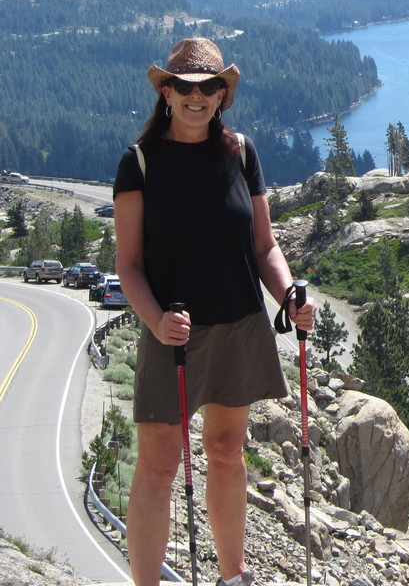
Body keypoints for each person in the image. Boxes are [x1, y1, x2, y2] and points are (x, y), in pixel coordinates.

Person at [114, 37, 315, 586]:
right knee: (158, 468)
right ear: (167, 93)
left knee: (226, 451)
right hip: (171, 334)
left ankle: (233, 578)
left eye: (209, 87)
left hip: (240, 323)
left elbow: (264, 247)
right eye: (185, 86)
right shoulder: (139, 163)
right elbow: (128, 265)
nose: (197, 96)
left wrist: (290, 295)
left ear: (223, 95)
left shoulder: (241, 153)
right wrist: (156, 321)